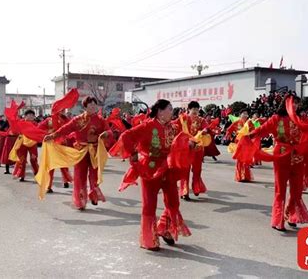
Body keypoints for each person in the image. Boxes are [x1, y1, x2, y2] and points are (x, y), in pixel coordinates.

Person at [116, 99, 191, 251]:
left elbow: (181, 142)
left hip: (168, 169)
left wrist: (191, 144)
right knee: (149, 205)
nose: (172, 112)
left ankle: (163, 228)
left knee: (173, 202)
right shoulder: (147, 125)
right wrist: (133, 153)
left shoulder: (173, 127)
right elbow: (126, 136)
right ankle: (149, 240)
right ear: (160, 111)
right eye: (169, 109)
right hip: (149, 169)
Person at [250, 96, 308, 231]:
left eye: (297, 103)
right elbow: (262, 129)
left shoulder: (300, 119)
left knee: (297, 190)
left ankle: (290, 214)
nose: (295, 106)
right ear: (286, 104)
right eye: (293, 103)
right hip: (281, 156)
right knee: (281, 189)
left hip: (297, 156)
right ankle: (278, 220)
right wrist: (249, 135)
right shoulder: (276, 118)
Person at [43, 97, 111, 210]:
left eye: (95, 105)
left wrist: (106, 134)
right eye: (90, 105)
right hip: (81, 150)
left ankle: (93, 195)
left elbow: (109, 130)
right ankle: (80, 201)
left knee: (94, 175)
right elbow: (65, 129)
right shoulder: (77, 120)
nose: (93, 107)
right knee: (80, 176)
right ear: (85, 107)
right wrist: (52, 136)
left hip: (94, 150)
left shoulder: (101, 120)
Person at [175, 101, 208, 201]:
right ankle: (184, 191)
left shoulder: (201, 120)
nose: (196, 112)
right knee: (185, 170)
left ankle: (196, 187)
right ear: (189, 109)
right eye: (194, 109)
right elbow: (174, 126)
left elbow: (206, 127)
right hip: (186, 148)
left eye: (197, 110)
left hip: (198, 149)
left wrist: (205, 130)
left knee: (197, 170)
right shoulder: (183, 118)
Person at [38, 110, 73, 192]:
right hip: (51, 145)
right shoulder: (48, 120)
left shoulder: (66, 119)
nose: (62, 111)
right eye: (60, 109)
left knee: (63, 164)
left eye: (63, 110)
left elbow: (71, 129)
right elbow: (39, 128)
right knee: (50, 166)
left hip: (62, 144)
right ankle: (48, 186)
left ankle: (66, 180)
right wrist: (47, 133)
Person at [224, 108, 255, 182]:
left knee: (246, 160)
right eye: (243, 113)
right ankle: (240, 177)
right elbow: (229, 129)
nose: (245, 115)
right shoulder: (237, 122)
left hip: (247, 143)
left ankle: (246, 176)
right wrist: (229, 136)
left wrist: (251, 135)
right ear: (240, 115)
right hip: (239, 143)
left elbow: (254, 131)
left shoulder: (249, 123)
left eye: (246, 114)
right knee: (239, 160)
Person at [12, 110, 40, 182]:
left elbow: (39, 132)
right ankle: (21, 175)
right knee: (22, 159)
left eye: (32, 115)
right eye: (29, 115)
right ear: (25, 116)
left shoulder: (36, 124)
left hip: (32, 143)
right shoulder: (21, 122)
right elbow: (15, 130)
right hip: (22, 142)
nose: (31, 116)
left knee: (33, 159)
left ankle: (38, 175)